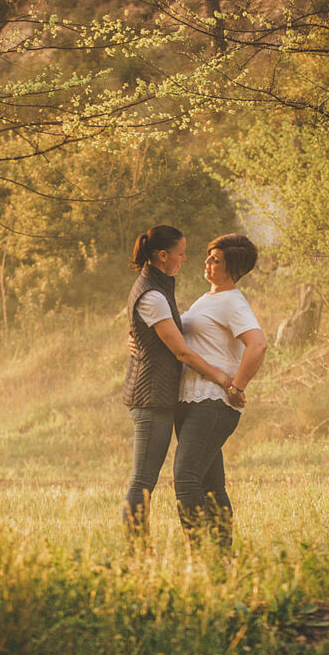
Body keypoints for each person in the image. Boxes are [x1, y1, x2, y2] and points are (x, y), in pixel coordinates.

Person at [123, 225, 241, 542]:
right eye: (180, 253)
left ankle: (216, 550)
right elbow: (181, 350)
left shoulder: (159, 287)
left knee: (186, 480)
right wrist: (220, 376)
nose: (185, 258)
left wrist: (137, 338)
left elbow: (155, 332)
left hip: (163, 397)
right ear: (163, 256)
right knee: (143, 482)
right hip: (152, 399)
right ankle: (139, 553)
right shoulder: (153, 294)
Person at [172, 233, 266, 552]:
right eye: (209, 256)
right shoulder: (208, 297)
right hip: (191, 402)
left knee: (186, 480)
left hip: (211, 404)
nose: (208, 263)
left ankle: (197, 559)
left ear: (234, 268)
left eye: (217, 260)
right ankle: (223, 559)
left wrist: (237, 385)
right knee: (211, 485)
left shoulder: (233, 302)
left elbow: (258, 344)